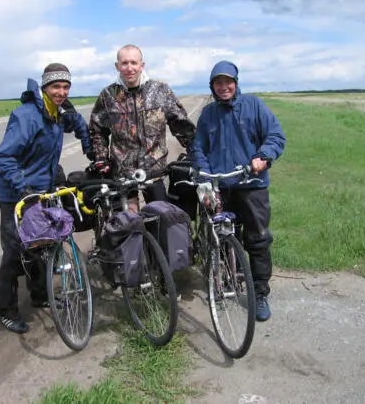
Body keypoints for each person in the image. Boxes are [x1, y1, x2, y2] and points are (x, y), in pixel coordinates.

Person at [0, 63, 92, 334]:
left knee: (42, 243)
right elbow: (4, 157)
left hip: (42, 188)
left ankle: (39, 295)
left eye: (65, 86)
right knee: (14, 250)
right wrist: (22, 188)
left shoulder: (58, 113)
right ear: (44, 87)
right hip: (15, 192)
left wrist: (87, 143)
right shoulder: (26, 116)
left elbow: (78, 123)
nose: (61, 91)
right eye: (55, 86)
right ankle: (7, 311)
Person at [191, 60, 286, 322]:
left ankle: (259, 293)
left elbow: (276, 136)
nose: (224, 87)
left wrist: (263, 157)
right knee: (222, 237)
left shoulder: (253, 105)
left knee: (257, 240)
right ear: (212, 86)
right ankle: (229, 278)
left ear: (236, 83)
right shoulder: (208, 114)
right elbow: (198, 147)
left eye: (228, 82)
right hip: (221, 186)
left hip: (251, 185)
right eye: (218, 83)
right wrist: (203, 171)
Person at [88, 44, 196, 212]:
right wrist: (101, 157)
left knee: (161, 220)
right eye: (124, 63)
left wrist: (194, 150)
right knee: (127, 224)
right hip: (122, 172)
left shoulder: (160, 90)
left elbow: (180, 123)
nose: (129, 68)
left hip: (154, 170)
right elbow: (97, 130)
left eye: (134, 62)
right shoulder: (108, 95)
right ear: (117, 66)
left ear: (141, 65)